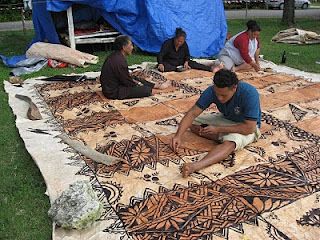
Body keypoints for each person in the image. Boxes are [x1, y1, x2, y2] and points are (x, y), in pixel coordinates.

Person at [171, 69, 261, 177]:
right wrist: (178, 136)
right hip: (225, 119)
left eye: (223, 95)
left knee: (232, 141)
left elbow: (249, 128)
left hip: (246, 126)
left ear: (234, 88)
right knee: (191, 123)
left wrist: (218, 129)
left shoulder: (249, 93)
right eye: (217, 94)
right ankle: (221, 137)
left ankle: (196, 166)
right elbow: (192, 114)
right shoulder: (212, 91)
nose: (219, 98)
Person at [100, 35, 171, 100]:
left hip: (111, 86)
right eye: (130, 45)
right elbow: (128, 83)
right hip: (112, 92)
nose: (132, 47)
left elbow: (125, 77)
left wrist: (138, 80)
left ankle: (157, 86)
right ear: (124, 47)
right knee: (144, 90)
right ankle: (159, 90)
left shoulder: (115, 56)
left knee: (136, 78)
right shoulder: (119, 61)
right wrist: (139, 85)